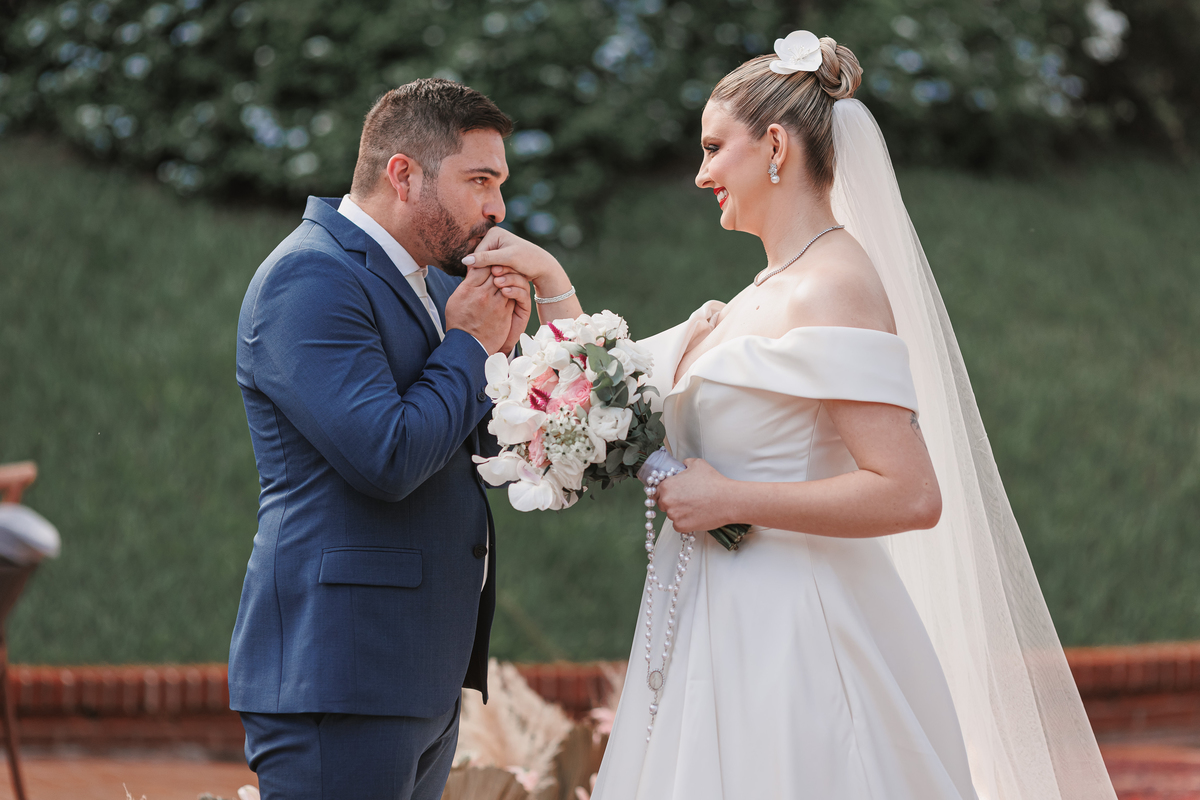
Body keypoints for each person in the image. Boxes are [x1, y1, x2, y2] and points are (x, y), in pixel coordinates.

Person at [476, 32, 1117, 800]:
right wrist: (548, 278)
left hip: (797, 634)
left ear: (775, 144)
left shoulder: (833, 287)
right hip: (716, 620)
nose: (701, 171)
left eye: (715, 148)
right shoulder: (764, 289)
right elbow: (623, 402)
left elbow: (910, 492)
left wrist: (734, 499)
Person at [229, 79, 530, 800]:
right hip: (340, 674)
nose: (498, 208)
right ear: (403, 174)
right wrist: (467, 344)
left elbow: (462, 445)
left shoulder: (421, 282)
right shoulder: (309, 277)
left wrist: (503, 357)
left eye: (500, 184)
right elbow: (388, 456)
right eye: (479, 181)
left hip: (411, 671)